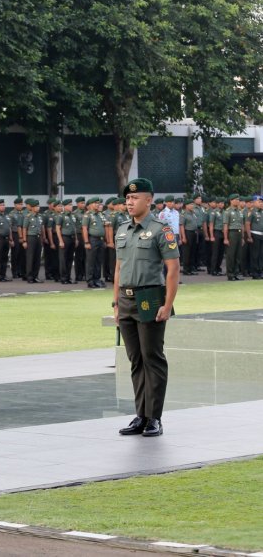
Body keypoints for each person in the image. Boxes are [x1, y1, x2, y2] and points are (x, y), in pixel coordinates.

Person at [114, 178, 180, 438]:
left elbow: (173, 269)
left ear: (149, 200)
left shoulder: (161, 229)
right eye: (127, 198)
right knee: (135, 360)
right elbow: (119, 269)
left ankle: (155, 418)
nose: (129, 202)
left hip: (150, 297)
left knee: (152, 358)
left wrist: (167, 304)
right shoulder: (122, 230)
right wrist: (116, 304)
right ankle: (140, 415)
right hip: (126, 299)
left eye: (135, 198)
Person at [82, 197, 106, 288]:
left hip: (100, 239)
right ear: (91, 205)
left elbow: (104, 227)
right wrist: (86, 242)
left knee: (98, 260)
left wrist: (104, 240)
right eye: (95, 203)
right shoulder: (87, 215)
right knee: (90, 260)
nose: (97, 205)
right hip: (92, 239)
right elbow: (84, 229)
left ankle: (97, 279)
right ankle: (90, 280)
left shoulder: (100, 215)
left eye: (98, 203)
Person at [223, 194, 244, 281]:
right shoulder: (227, 211)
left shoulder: (240, 211)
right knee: (231, 255)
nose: (237, 201)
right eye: (235, 199)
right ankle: (230, 274)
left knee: (238, 255)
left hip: (239, 233)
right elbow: (225, 226)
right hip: (232, 233)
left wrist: (242, 237)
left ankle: (236, 273)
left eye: (238, 200)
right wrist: (226, 238)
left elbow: (242, 225)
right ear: (231, 201)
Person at [22, 199, 44, 283]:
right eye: (36, 206)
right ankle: (30, 277)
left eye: (38, 206)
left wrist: (42, 239)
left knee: (37, 258)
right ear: (32, 208)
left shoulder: (39, 217)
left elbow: (41, 228)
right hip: (30, 237)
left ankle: (35, 276)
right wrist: (24, 240)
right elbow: (24, 228)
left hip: (38, 238)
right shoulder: (28, 216)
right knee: (30, 257)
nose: (38, 208)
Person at [55, 198, 76, 284]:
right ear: (65, 206)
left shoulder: (72, 216)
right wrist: (60, 240)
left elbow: (74, 228)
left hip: (72, 238)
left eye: (71, 205)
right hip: (65, 238)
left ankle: (68, 277)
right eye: (70, 205)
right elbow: (57, 228)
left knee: (70, 258)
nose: (71, 206)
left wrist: (76, 239)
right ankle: (63, 278)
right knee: (63, 259)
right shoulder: (61, 216)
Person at [0, 199, 13, 282]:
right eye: (1, 205)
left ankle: (3, 274)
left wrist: (11, 239)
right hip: (0, 239)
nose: (3, 207)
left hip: (6, 239)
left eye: (4, 205)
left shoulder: (7, 216)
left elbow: (9, 228)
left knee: (5, 258)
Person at [246, 195, 263, 279]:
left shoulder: (262, 211)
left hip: (262, 235)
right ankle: (255, 273)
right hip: (255, 234)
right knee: (255, 255)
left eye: (262, 202)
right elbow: (248, 224)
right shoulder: (252, 212)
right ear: (254, 203)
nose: (261, 203)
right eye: (259, 202)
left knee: (261, 255)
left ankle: (260, 271)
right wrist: (249, 236)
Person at [9, 197, 26, 280]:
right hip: (15, 234)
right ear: (15, 205)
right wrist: (11, 238)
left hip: (23, 234)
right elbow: (10, 227)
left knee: (22, 254)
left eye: (21, 204)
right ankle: (14, 272)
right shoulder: (12, 214)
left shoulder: (23, 213)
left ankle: (20, 271)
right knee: (15, 254)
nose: (21, 205)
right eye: (19, 204)